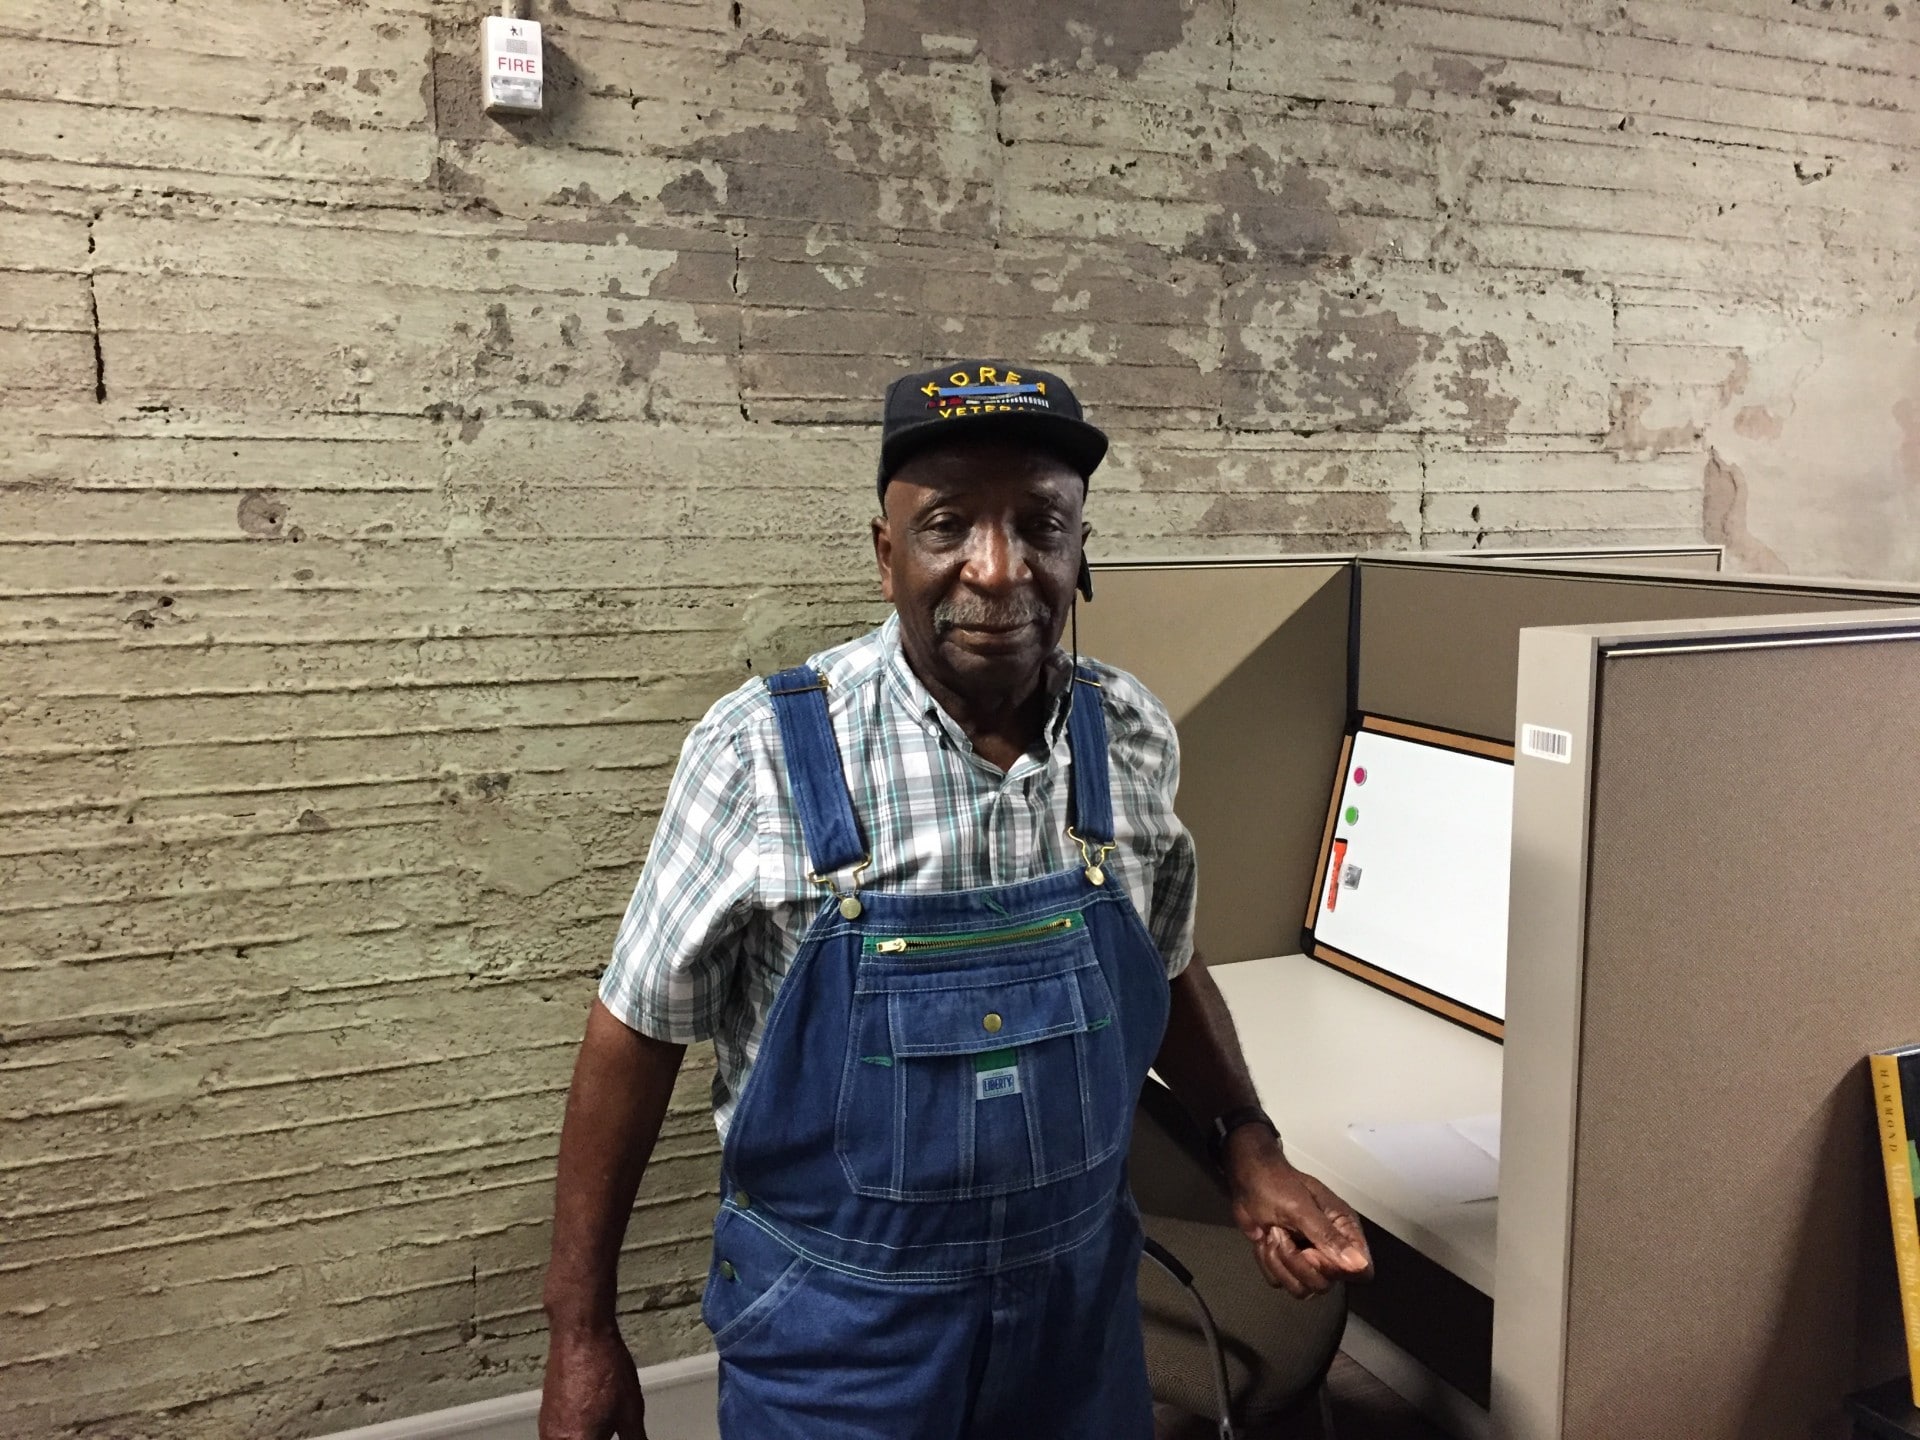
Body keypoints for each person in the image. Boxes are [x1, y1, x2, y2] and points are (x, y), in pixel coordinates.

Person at [538, 361, 1374, 1440]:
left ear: (1082, 555)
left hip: (1078, 1329)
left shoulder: (1128, 737)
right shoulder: (764, 752)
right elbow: (634, 1032)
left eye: (1040, 524)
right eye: (947, 525)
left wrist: (1247, 1144)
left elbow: (1162, 956)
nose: (996, 568)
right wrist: (581, 1334)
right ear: (887, 557)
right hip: (838, 1342)